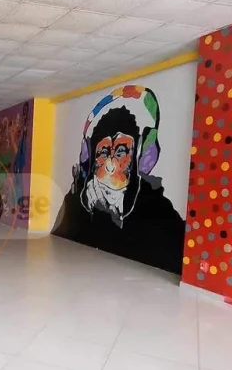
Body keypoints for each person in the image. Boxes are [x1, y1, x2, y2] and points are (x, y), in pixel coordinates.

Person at [52, 86, 185, 274]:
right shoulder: (77, 199)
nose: (110, 166)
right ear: (89, 158)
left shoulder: (157, 210)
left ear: (144, 157)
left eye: (121, 152)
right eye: (103, 152)